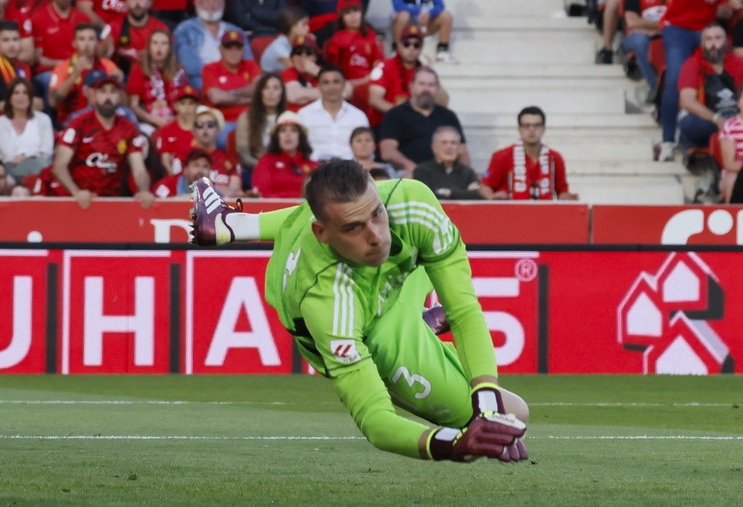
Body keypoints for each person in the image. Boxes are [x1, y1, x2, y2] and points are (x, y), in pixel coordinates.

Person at [188, 161, 530, 462]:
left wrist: (486, 405)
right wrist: (451, 445)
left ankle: (232, 225)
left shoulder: (410, 201)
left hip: (376, 277)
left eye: (377, 213)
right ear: (321, 234)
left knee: (359, 207)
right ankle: (412, 325)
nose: (376, 237)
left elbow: (464, 310)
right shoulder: (327, 305)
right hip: (372, 330)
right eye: (354, 228)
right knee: (515, 413)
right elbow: (374, 417)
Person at [648, 0, 743, 160]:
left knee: (720, 74)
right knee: (675, 78)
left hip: (705, 31)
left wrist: (734, 3)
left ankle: (709, 130)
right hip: (678, 27)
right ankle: (668, 139)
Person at [49, 75, 154, 208]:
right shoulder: (79, 124)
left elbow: (139, 168)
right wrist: (76, 192)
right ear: (95, 95)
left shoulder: (128, 129)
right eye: (103, 91)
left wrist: (144, 191)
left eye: (113, 91)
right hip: (76, 202)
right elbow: (59, 165)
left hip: (110, 202)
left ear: (120, 96)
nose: (108, 97)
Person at [675, 24, 743, 153]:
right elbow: (687, 101)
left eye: (717, 38)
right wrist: (718, 120)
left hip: (739, 117)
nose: (713, 44)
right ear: (702, 43)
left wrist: (739, 121)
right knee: (689, 124)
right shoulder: (692, 64)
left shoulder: (741, 63)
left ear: (726, 42)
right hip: (710, 120)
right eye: (708, 39)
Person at [378, 67, 468, 176]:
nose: (426, 89)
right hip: (409, 173)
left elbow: (462, 152)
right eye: (422, 84)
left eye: (431, 85)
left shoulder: (448, 116)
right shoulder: (395, 114)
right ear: (411, 86)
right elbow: (388, 152)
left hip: (445, 174)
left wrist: (464, 175)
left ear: (437, 88)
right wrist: (413, 167)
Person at [479, 106, 576, 201]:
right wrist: (493, 197)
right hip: (511, 214)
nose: (531, 129)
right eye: (526, 125)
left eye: (536, 125)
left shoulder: (555, 158)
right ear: (519, 128)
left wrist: (566, 197)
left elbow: (562, 191)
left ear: (544, 128)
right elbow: (484, 186)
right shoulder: (501, 156)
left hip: (544, 214)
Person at [174, 0, 252, 88]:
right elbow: (190, 66)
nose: (211, 5)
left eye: (216, 1)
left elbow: (249, 62)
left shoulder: (236, 31)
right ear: (196, 5)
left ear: (223, 6)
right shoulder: (184, 29)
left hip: (234, 78)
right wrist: (217, 79)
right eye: (206, 1)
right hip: (201, 80)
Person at [324, 0, 386, 112]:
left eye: (356, 11)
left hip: (369, 82)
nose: (353, 16)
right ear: (341, 17)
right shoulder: (336, 40)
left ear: (362, 13)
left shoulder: (371, 35)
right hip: (346, 86)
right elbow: (333, 68)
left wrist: (369, 79)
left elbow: (379, 64)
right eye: (347, 12)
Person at [297, 65, 370, 162]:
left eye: (336, 82)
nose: (331, 87)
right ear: (318, 86)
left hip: (350, 169)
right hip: (314, 168)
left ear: (344, 85)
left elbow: (367, 149)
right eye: (326, 82)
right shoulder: (304, 114)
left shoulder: (358, 116)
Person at [202, 28, 262, 145]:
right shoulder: (210, 68)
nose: (233, 52)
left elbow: (258, 89)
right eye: (229, 48)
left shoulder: (251, 64)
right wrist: (247, 98)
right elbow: (217, 98)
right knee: (224, 138)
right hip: (223, 122)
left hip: (251, 120)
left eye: (237, 48)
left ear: (243, 51)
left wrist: (230, 93)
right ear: (220, 49)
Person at [0, 77, 54, 180]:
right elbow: (9, 155)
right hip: (11, 168)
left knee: (40, 164)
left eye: (25, 93)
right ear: (9, 98)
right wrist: (34, 153)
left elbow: (46, 150)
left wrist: (25, 156)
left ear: (30, 97)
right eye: (16, 93)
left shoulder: (43, 119)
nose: (21, 97)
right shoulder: (1, 122)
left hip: (39, 166)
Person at [250, 112, 319, 198]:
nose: (288, 134)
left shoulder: (314, 166)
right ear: (277, 137)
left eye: (293, 130)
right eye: (283, 130)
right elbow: (260, 193)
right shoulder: (266, 161)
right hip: (274, 209)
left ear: (300, 137)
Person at [235, 73, 287, 177]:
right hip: (254, 170)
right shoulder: (246, 118)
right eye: (266, 88)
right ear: (260, 92)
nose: (271, 93)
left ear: (282, 93)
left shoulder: (288, 118)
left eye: (276, 88)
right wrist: (265, 168)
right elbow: (244, 155)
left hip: (285, 170)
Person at [413, 126, 484, 200]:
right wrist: (463, 193)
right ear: (434, 147)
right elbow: (424, 197)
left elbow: (478, 195)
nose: (449, 147)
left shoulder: (467, 172)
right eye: (444, 143)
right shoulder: (422, 171)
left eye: (453, 143)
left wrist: (450, 193)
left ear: (459, 147)